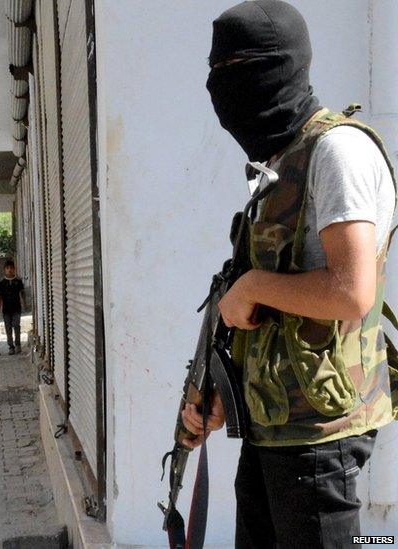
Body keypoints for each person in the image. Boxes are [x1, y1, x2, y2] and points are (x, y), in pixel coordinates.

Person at [184, 1, 397, 546]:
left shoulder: (336, 152)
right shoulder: (281, 165)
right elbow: (262, 311)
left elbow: (351, 292)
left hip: (318, 435)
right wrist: (214, 391)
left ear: (287, 64)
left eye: (240, 70)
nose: (224, 88)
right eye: (217, 73)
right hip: (272, 423)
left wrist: (251, 288)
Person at [0, 259, 26, 355]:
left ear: (14, 269)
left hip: (16, 308)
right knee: (8, 328)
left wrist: (24, 303)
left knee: (16, 326)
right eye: (7, 268)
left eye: (11, 268)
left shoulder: (18, 281)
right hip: (6, 309)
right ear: (4, 270)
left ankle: (18, 344)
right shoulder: (2, 282)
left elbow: (22, 293)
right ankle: (11, 347)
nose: (9, 270)